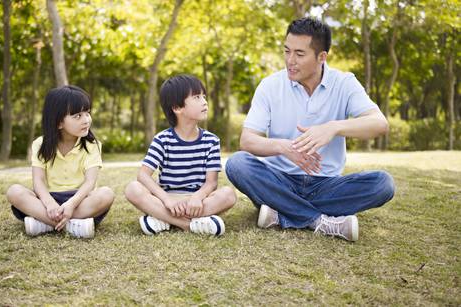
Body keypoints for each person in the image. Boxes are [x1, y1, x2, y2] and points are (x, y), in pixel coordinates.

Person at [225, 17, 395, 242]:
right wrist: (284, 148)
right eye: (287, 51)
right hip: (278, 181)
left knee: (383, 184)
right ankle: (319, 221)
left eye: (299, 54)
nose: (290, 60)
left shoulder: (344, 83)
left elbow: (379, 124)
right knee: (237, 164)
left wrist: (333, 128)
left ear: (321, 57)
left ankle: (282, 214)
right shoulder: (270, 85)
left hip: (326, 184)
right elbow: (247, 141)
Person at [125, 74, 236, 236]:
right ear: (177, 108)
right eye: (197, 97)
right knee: (132, 189)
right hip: (168, 199)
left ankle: (162, 219)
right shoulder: (162, 139)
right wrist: (167, 200)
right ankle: (189, 224)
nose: (205, 101)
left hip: (197, 201)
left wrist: (197, 198)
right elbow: (143, 175)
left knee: (228, 194)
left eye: (204, 97)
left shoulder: (211, 141)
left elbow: (211, 183)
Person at [6, 85, 115, 238]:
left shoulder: (92, 145)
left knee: (106, 194)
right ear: (58, 122)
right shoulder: (40, 144)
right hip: (48, 200)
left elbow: (90, 183)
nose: (86, 120)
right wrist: (49, 203)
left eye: (87, 113)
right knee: (14, 191)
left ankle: (45, 223)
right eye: (78, 116)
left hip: (80, 200)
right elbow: (38, 181)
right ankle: (73, 226)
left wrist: (71, 204)